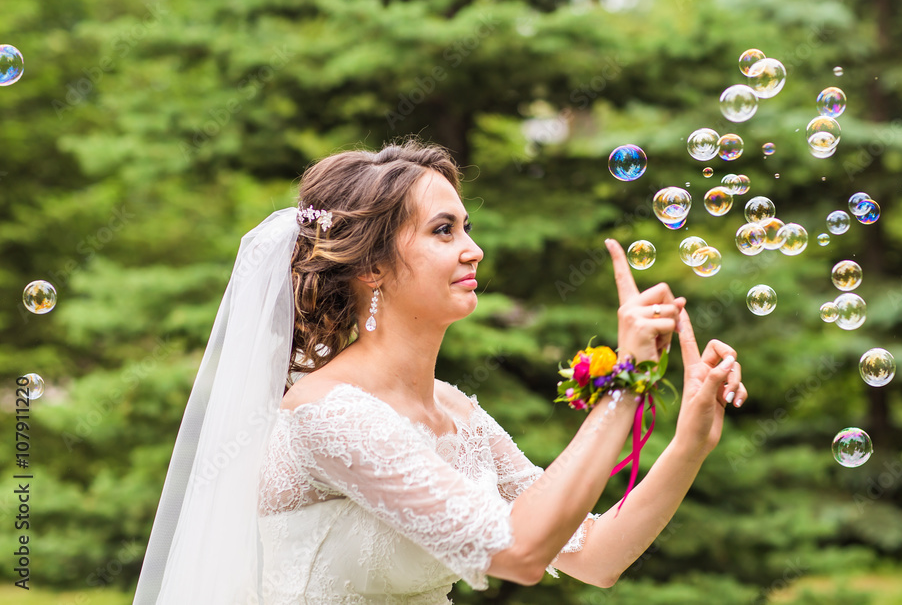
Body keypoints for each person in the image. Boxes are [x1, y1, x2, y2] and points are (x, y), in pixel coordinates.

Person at [132, 140, 746, 604]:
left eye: (466, 228)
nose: (472, 249)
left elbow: (596, 554)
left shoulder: (458, 414)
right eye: (443, 231)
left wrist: (691, 437)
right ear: (371, 267)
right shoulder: (329, 416)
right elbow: (521, 551)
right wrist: (623, 387)